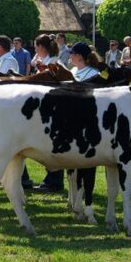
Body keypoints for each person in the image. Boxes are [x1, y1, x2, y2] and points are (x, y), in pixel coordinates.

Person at [36, 41, 99, 192]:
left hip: (85, 117)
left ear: (78, 56)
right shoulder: (74, 69)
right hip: (69, 114)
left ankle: (83, 187)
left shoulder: (92, 73)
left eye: (72, 53)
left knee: (85, 156)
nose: (70, 56)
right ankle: (72, 186)